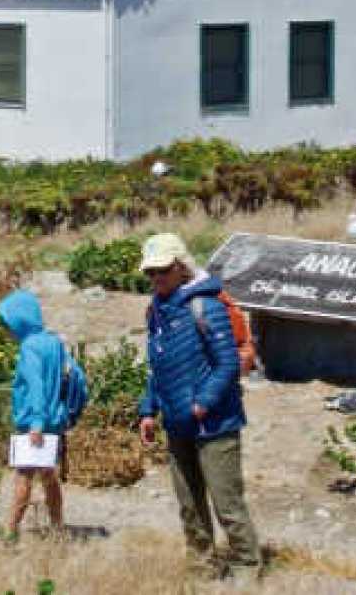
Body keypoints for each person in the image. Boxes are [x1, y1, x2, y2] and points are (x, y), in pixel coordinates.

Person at [137, 233, 262, 580]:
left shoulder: (206, 305)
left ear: (181, 267)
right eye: (151, 272)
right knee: (189, 505)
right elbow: (157, 367)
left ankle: (247, 567)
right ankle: (202, 569)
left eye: (162, 270)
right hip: (178, 423)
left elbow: (227, 364)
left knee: (227, 504)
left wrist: (202, 403)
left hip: (215, 425)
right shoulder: (157, 310)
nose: (156, 278)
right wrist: (148, 410)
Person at [0, 287, 69, 540]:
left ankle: (10, 532)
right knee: (49, 477)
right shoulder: (54, 341)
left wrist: (36, 422)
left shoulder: (29, 348)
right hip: (55, 421)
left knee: (23, 479)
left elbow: (36, 385)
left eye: (7, 324)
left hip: (33, 424)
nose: (6, 331)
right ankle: (58, 527)